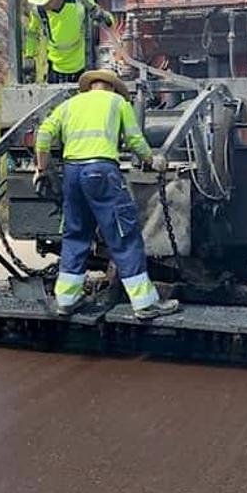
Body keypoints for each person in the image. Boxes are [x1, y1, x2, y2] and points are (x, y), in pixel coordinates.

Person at [34, 69, 180, 319]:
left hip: (72, 174)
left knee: (76, 233)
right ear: (112, 87)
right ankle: (145, 303)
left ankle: (66, 300)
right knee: (124, 235)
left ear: (91, 86)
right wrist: (151, 159)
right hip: (101, 173)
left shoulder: (69, 104)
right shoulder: (118, 102)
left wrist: (41, 168)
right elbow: (134, 138)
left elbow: (44, 135)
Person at [23, 0, 115, 83]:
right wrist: (29, 56)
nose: (43, 4)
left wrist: (103, 17)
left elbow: (107, 20)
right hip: (56, 65)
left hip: (83, 64)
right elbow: (32, 34)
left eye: (45, 0)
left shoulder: (78, 1)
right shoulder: (38, 11)